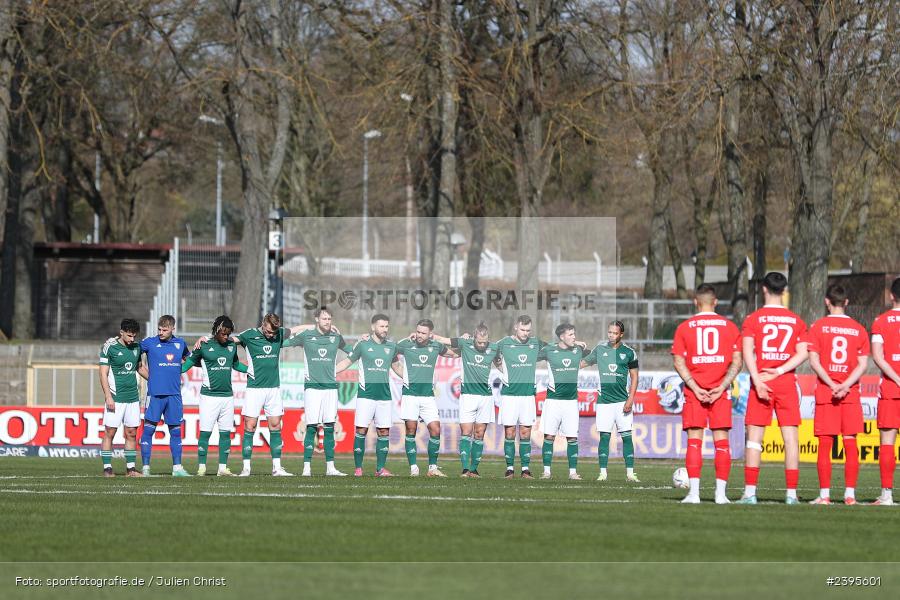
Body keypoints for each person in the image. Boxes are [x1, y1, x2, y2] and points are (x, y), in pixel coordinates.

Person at [737, 272, 808, 505]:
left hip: (762, 380)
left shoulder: (753, 319)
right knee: (791, 440)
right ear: (784, 291)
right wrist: (780, 371)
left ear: (764, 290)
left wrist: (758, 380)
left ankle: (749, 493)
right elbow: (803, 353)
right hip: (785, 381)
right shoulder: (796, 321)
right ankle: (791, 495)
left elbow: (748, 351)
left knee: (754, 439)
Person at [671, 285, 742, 504]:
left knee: (694, 442)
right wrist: (722, 387)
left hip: (695, 392)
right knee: (722, 443)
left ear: (695, 301)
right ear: (716, 302)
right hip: (720, 391)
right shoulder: (730, 327)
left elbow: (678, 360)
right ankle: (720, 495)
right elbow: (737, 362)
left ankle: (694, 495)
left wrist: (693, 384)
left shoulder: (685, 327)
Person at [798, 285, 869, 505]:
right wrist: (845, 384)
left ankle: (825, 495)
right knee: (850, 443)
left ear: (827, 301)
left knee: (825, 445)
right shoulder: (859, 329)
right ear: (846, 302)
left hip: (827, 393)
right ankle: (850, 495)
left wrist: (832, 384)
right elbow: (863, 365)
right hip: (850, 393)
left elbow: (814, 361)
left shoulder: (818, 326)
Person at [285, 307, 351, 477]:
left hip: (330, 388)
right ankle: (306, 468)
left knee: (329, 427)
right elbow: (284, 342)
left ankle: (331, 468)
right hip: (312, 388)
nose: (327, 322)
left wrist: (364, 342)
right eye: (324, 319)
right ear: (316, 319)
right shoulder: (306, 335)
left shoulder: (336, 337)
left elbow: (352, 352)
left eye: (329, 319)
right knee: (312, 427)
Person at [181, 315, 248, 476]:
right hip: (209, 397)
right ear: (216, 331)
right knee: (205, 433)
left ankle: (222, 468)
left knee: (225, 433)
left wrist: (252, 371)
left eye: (228, 334)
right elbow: (185, 367)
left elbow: (236, 364)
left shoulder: (232, 346)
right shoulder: (203, 345)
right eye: (223, 334)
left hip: (227, 397)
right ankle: (202, 467)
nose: (226, 337)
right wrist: (167, 368)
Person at [432, 323, 500, 477]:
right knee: (466, 432)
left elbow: (500, 363)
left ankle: (474, 469)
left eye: (485, 342)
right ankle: (465, 469)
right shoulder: (465, 343)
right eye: (479, 342)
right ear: (474, 338)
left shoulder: (494, 348)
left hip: (486, 397)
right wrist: (430, 336)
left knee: (480, 433)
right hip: (468, 396)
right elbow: (443, 339)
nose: (482, 345)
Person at [334, 314, 398, 477]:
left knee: (384, 432)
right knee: (361, 430)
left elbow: (398, 367)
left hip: (384, 396)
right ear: (373, 327)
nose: (385, 329)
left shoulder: (391, 346)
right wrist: (329, 371)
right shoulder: (362, 345)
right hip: (366, 395)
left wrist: (413, 379)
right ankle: (358, 469)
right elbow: (347, 362)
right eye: (382, 326)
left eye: (386, 326)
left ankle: (380, 469)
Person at [583, 321, 640, 483]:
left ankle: (630, 474)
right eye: (609, 332)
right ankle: (603, 473)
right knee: (604, 437)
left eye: (615, 333)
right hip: (604, 402)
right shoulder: (600, 349)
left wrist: (630, 399)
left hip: (622, 402)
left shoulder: (629, 352)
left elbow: (635, 377)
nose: (611, 336)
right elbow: (583, 363)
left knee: (627, 437)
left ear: (621, 334)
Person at [394, 319, 451, 477]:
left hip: (428, 397)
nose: (419, 335)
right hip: (410, 395)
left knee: (435, 429)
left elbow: (455, 354)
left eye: (423, 333)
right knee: (411, 430)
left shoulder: (436, 346)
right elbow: (388, 349)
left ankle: (432, 468)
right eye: (418, 331)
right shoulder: (406, 344)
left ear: (430, 334)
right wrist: (401, 372)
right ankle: (413, 468)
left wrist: (465, 342)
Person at [495, 315, 547, 479]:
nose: (525, 333)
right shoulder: (503, 343)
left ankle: (525, 469)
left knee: (525, 433)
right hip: (509, 396)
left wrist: (574, 344)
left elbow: (556, 347)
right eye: (523, 329)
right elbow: (487, 351)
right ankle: (509, 469)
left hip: (527, 397)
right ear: (515, 328)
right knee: (509, 433)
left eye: (528, 330)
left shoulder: (535, 343)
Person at [138, 315, 190, 477]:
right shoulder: (149, 343)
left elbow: (188, 359)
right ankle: (145, 468)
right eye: (159, 329)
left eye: (164, 330)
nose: (161, 332)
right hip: (155, 394)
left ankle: (177, 468)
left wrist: (179, 370)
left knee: (175, 432)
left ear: (172, 329)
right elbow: (132, 351)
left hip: (174, 394)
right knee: (148, 431)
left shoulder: (180, 344)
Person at [539, 323, 589, 480]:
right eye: (571, 334)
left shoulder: (578, 350)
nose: (574, 337)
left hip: (571, 402)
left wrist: (579, 344)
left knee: (572, 437)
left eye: (574, 334)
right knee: (549, 437)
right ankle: (546, 471)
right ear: (562, 337)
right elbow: (529, 358)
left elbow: (595, 355)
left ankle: (573, 472)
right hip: (553, 401)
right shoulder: (549, 350)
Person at [98, 319, 143, 477]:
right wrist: (108, 396)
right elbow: (103, 373)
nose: (132, 339)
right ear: (121, 332)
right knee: (110, 432)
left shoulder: (137, 348)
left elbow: (139, 368)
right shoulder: (110, 347)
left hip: (132, 398)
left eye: (134, 336)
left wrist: (155, 380)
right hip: (115, 398)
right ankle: (107, 468)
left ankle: (130, 469)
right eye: (129, 335)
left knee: (131, 433)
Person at [870, 276, 900, 506]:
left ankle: (887, 495)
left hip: (891, 388)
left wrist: (897, 379)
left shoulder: (880, 321)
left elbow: (878, 357)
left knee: (887, 442)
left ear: (891, 295)